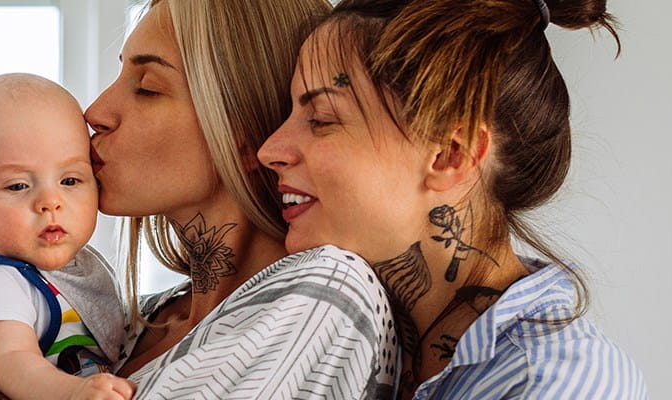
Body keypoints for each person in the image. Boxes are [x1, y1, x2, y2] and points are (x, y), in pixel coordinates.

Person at [0, 0, 399, 399]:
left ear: (241, 133)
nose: (95, 111)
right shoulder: (134, 320)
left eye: (146, 87)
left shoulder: (319, 294)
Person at [257, 0, 647, 397]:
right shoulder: (345, 334)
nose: (269, 150)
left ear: (450, 155)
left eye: (321, 120)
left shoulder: (559, 382)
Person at [0, 73, 131, 400]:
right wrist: (74, 393)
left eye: (70, 181)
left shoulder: (77, 268)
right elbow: (12, 363)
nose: (50, 202)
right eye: (17, 186)